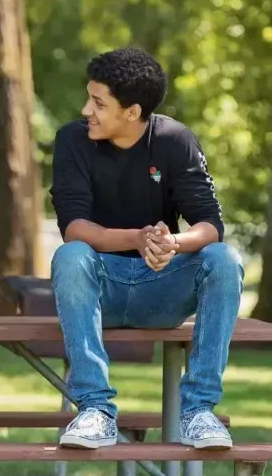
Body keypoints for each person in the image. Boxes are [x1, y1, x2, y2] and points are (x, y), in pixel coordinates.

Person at [50, 46, 243, 450]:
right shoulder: (72, 140)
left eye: (98, 103)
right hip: (100, 284)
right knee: (70, 256)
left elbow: (211, 226)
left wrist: (173, 242)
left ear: (132, 112)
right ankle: (94, 411)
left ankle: (198, 412)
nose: (86, 109)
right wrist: (138, 238)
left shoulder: (174, 140)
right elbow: (75, 228)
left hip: (162, 287)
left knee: (223, 259)